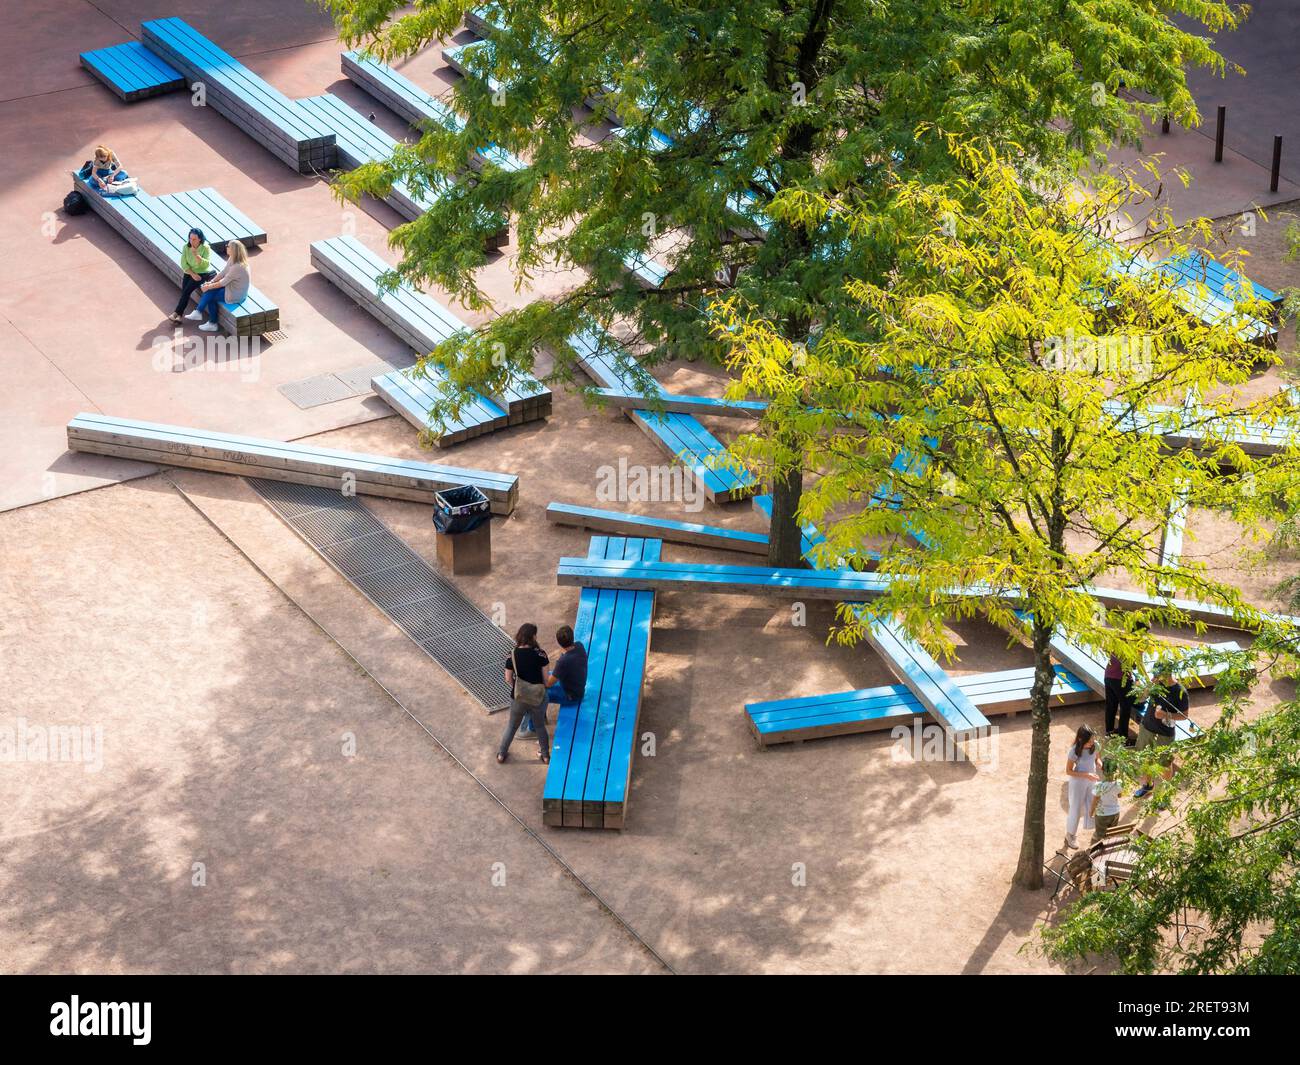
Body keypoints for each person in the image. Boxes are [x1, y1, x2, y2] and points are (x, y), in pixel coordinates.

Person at [498, 623, 550, 764]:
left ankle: (501, 754)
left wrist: (518, 687)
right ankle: (545, 756)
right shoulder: (541, 654)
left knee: (512, 726)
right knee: (539, 727)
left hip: (519, 698)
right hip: (537, 698)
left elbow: (508, 678)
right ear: (533, 637)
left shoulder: (512, 655)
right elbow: (546, 680)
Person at [1134, 670, 1189, 798]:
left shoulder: (1180, 691)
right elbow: (1141, 698)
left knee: (1164, 764)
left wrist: (1165, 715)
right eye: (1155, 675)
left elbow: (1184, 716)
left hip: (1165, 733)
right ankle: (1148, 786)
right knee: (1146, 758)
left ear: (1168, 674)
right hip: (1147, 727)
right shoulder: (1155, 684)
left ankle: (1165, 794)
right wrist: (1149, 686)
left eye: (1159, 675)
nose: (1156, 677)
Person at [190, 239, 250, 332]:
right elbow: (223, 272)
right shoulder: (232, 258)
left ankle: (209, 320)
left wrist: (208, 287)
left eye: (228, 246)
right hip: (232, 287)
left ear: (233, 250)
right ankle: (201, 314)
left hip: (235, 294)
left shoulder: (237, 267)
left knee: (210, 296)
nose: (226, 247)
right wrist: (211, 282)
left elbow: (223, 283)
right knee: (210, 291)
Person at [1063, 724, 1099, 850]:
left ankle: (1092, 828)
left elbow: (1097, 759)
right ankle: (1070, 835)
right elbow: (1068, 771)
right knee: (1076, 809)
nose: (1091, 743)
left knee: (1092, 804)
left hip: (1091, 779)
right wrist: (1086, 775)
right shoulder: (1074, 751)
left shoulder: (1095, 745)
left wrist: (1101, 764)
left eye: (1092, 740)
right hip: (1078, 782)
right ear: (1080, 739)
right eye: (1088, 742)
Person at [171, 229, 216, 322]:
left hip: (202, 273)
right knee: (184, 292)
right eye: (190, 238)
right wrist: (192, 274)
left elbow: (206, 264)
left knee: (186, 292)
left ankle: (176, 313)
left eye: (194, 239)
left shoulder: (205, 247)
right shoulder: (186, 247)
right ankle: (179, 316)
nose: (191, 241)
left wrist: (197, 255)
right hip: (189, 272)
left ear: (200, 239)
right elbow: (183, 264)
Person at [1089, 757, 1122, 842]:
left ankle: (1096, 849)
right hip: (1115, 813)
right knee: (1110, 833)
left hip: (1102, 815)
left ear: (1103, 771)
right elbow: (1120, 796)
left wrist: (1091, 813)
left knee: (1099, 834)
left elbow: (1095, 801)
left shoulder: (1099, 786)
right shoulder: (1119, 783)